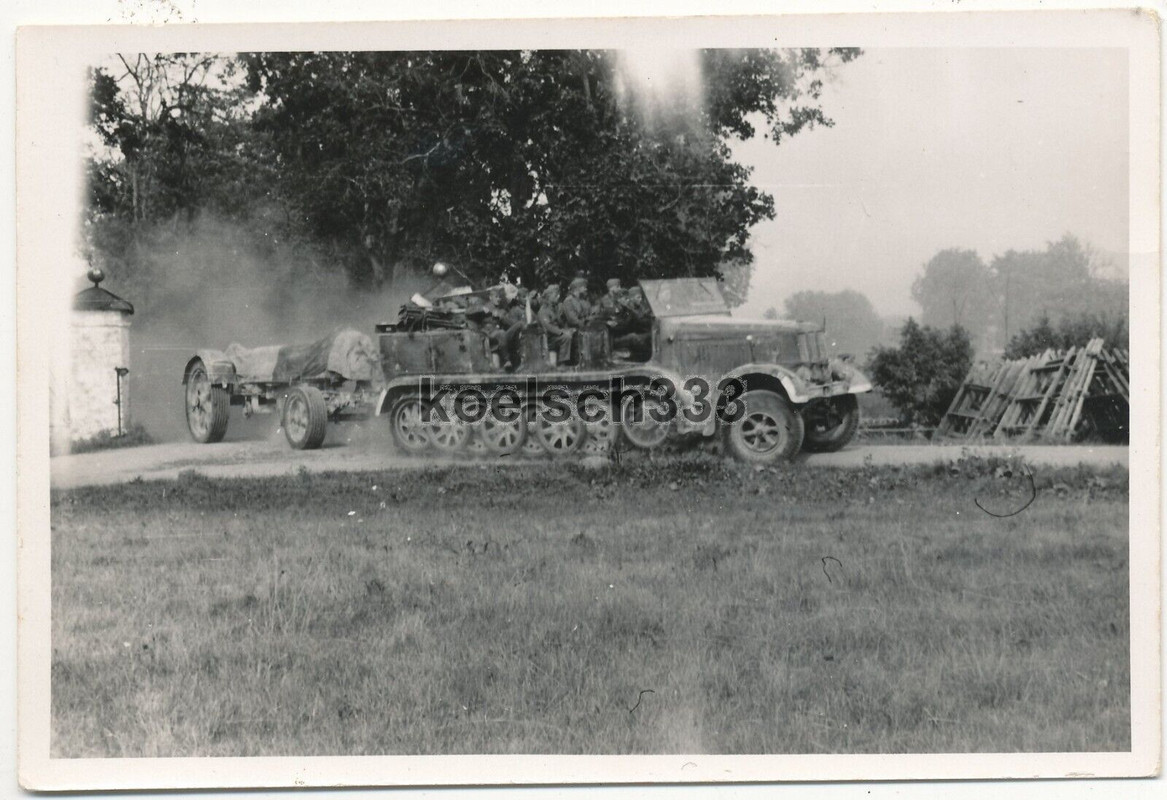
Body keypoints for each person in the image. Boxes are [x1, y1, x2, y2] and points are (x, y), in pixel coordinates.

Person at [536, 283, 574, 365]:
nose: (558, 297)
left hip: (555, 335)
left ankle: (572, 361)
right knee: (566, 337)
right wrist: (562, 332)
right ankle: (562, 362)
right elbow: (548, 327)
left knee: (572, 333)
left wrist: (567, 329)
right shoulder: (543, 310)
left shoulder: (555, 308)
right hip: (548, 338)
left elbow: (560, 322)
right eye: (555, 295)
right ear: (549, 297)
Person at [614, 285, 652, 361]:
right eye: (638, 297)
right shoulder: (626, 309)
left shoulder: (638, 307)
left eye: (641, 297)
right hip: (621, 336)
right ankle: (643, 358)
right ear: (632, 298)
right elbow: (624, 324)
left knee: (649, 336)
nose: (640, 300)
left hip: (632, 333)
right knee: (635, 338)